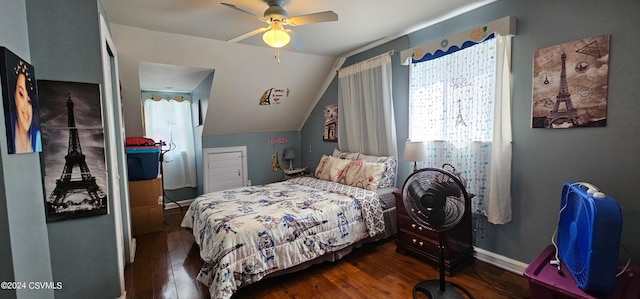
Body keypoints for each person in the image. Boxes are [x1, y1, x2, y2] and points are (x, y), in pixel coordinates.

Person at [9, 58, 41, 153]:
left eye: (29, 101)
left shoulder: (37, 140)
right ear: (15, 97)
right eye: (21, 95)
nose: (26, 108)